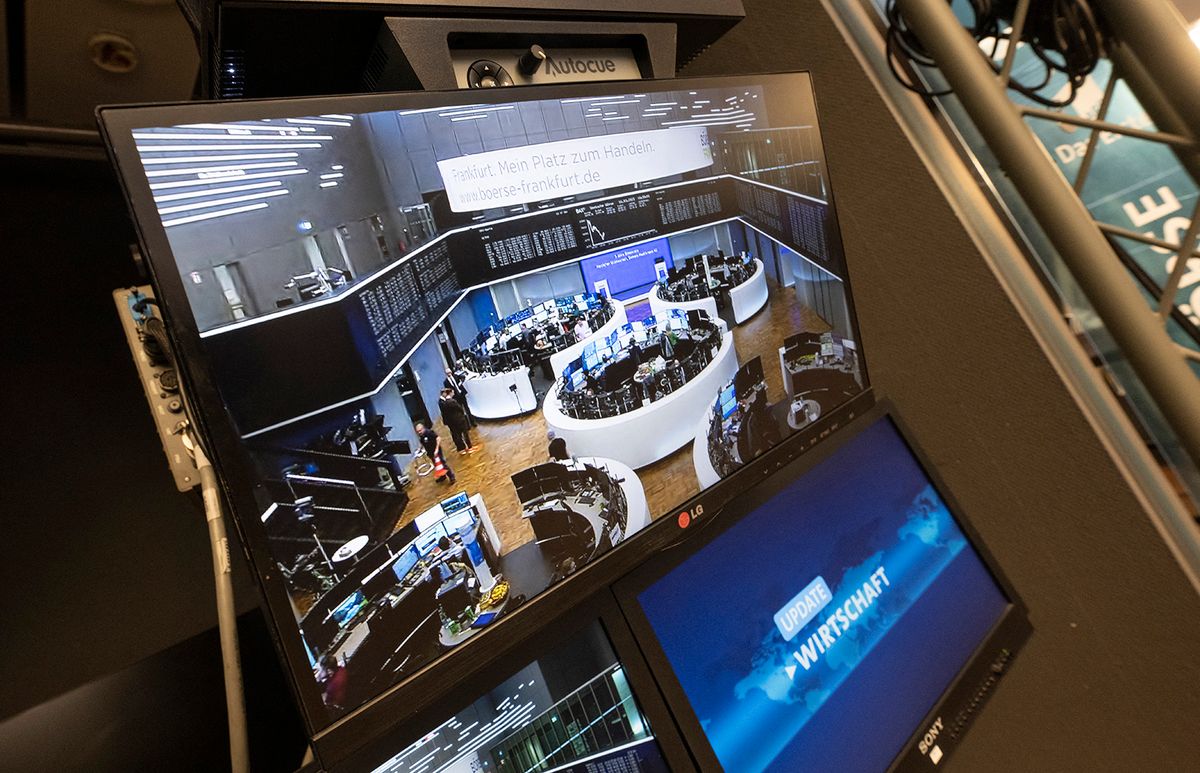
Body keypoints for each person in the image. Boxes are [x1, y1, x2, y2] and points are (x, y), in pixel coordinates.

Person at [439, 388, 476, 453]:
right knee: (463, 433)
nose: (454, 394)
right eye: (452, 392)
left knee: (457, 434)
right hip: (459, 419)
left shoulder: (446, 402)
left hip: (454, 421)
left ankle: (463, 448)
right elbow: (459, 409)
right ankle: (468, 447)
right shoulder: (451, 401)